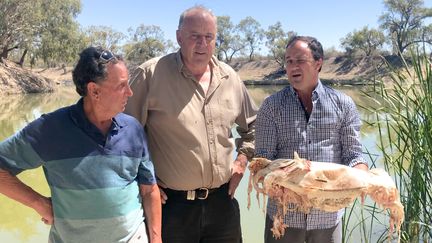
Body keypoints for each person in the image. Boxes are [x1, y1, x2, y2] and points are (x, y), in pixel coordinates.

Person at [0, 46, 162, 243]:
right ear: (94, 90)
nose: (130, 92)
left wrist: (156, 239)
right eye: (122, 86)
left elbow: (149, 189)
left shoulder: (133, 129)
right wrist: (38, 203)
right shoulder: (50, 129)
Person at [125, 5, 258, 243]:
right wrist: (144, 181)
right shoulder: (151, 75)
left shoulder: (230, 78)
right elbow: (123, 135)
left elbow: (255, 128)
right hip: (171, 207)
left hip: (222, 204)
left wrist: (242, 160)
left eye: (209, 37)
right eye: (194, 36)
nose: (202, 43)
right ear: (178, 37)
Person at [254, 36, 368, 243]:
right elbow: (262, 159)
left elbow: (353, 154)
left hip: (327, 216)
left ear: (318, 63)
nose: (293, 66)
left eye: (300, 60)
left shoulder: (343, 104)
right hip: (284, 215)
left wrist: (362, 175)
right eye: (288, 61)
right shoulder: (271, 106)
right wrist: (273, 179)